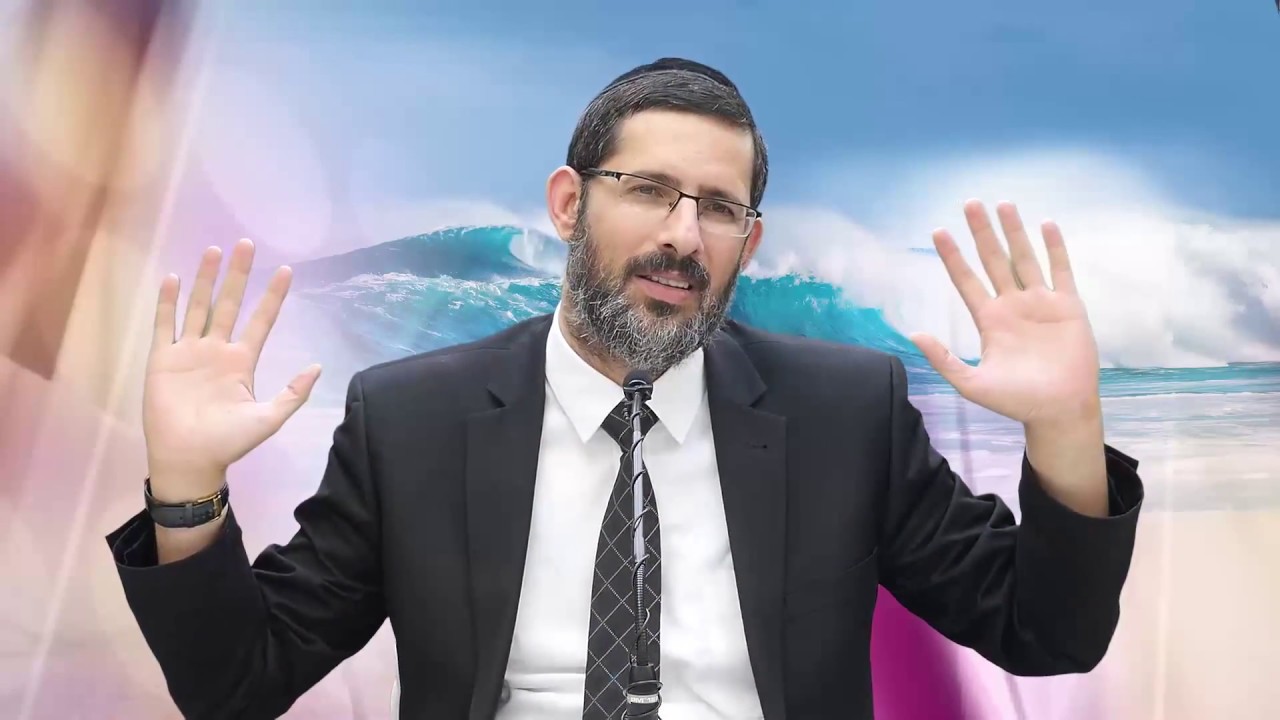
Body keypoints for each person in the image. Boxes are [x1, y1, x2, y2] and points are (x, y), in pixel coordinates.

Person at [105, 57, 1144, 720]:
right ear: (568, 203)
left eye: (719, 209)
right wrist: (186, 488)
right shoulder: (411, 421)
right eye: (647, 191)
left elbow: (1044, 632)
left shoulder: (845, 415)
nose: (682, 235)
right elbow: (237, 684)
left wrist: (1065, 428)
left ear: (749, 244)